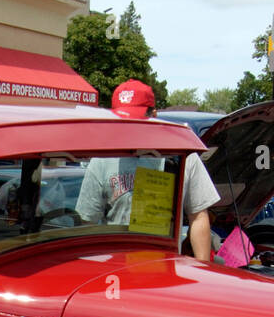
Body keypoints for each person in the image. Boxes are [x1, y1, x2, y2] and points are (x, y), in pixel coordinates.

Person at [75, 79, 220, 261]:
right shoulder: (103, 160)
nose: (129, 126)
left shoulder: (181, 157)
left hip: (166, 264)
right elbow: (87, 221)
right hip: (116, 267)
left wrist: (202, 269)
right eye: (123, 119)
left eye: (137, 119)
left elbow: (198, 215)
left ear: (153, 114)